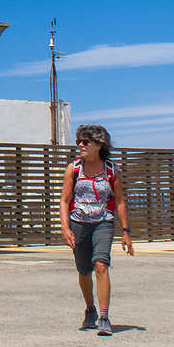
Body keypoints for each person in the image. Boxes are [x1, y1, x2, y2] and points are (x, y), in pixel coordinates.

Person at [60, 124, 134, 335]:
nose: (81, 146)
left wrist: (126, 231)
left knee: (101, 265)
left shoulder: (112, 170)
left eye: (85, 142)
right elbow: (64, 200)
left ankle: (104, 316)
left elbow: (119, 201)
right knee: (84, 270)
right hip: (79, 223)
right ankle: (90, 309)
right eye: (79, 142)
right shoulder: (73, 169)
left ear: (99, 144)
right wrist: (65, 228)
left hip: (103, 221)